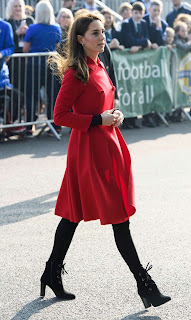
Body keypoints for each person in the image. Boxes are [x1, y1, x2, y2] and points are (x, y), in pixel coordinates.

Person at [40, 12, 171, 309]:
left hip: (106, 145)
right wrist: (99, 119)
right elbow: (59, 116)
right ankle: (146, 285)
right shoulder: (76, 72)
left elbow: (104, 102)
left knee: (73, 215)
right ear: (80, 39)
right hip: (89, 151)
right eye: (95, 33)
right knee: (118, 218)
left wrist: (114, 113)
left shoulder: (99, 64)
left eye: (103, 32)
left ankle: (50, 272)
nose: (102, 37)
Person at [23, 0, 61, 137]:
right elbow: (57, 48)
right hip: (51, 65)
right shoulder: (56, 28)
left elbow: (25, 49)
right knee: (53, 95)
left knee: (31, 96)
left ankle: (29, 127)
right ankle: (56, 126)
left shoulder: (32, 28)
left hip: (33, 65)